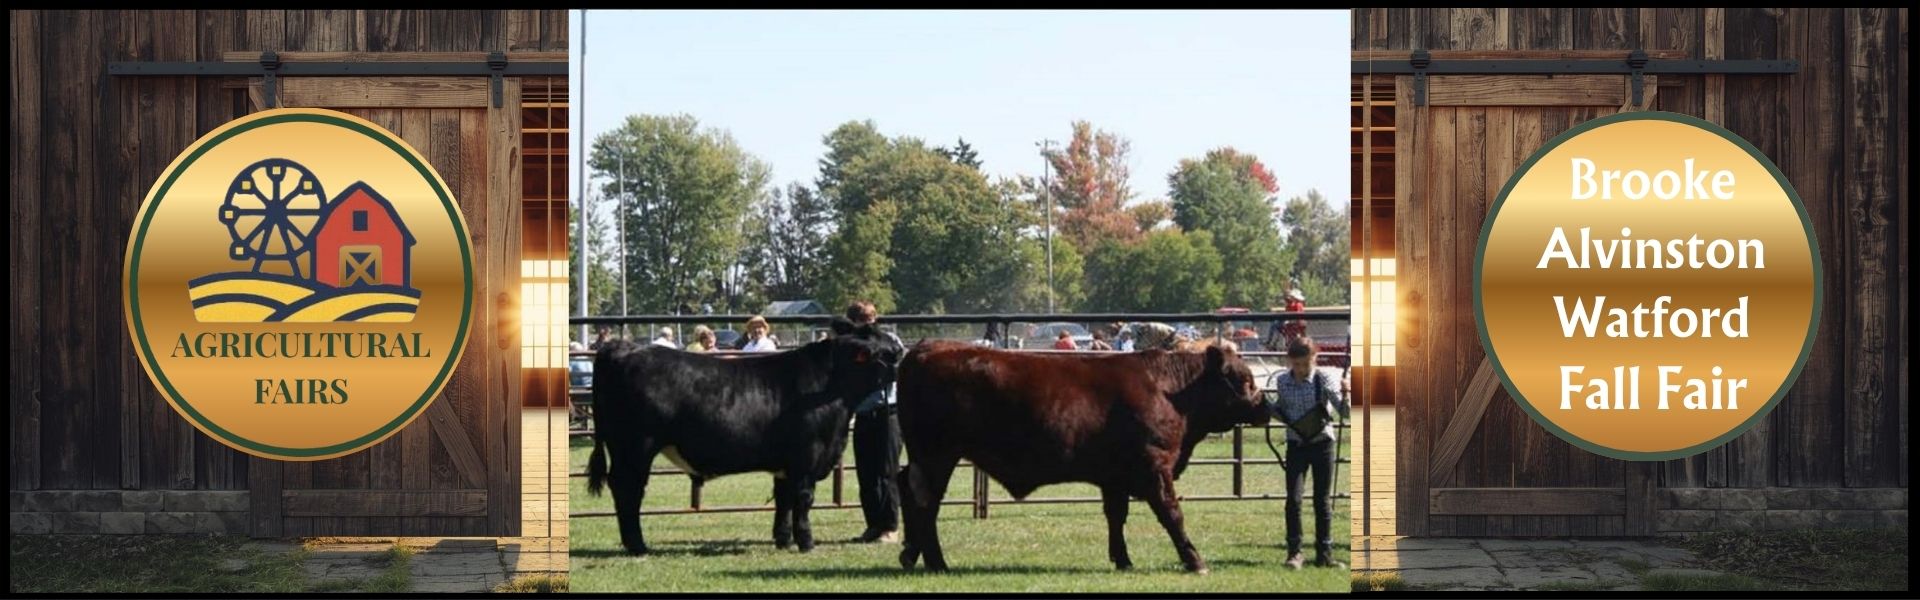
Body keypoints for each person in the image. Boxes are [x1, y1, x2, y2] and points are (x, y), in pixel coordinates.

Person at [1270, 337, 1348, 570]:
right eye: (1296, 365)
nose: (1301, 370)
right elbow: (1281, 411)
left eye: (1305, 364)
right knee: (1293, 500)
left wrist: (1347, 393)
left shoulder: (1323, 379)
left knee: (1321, 501)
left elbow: (1345, 412)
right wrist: (1262, 406)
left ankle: (1324, 553)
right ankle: (1294, 553)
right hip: (1296, 445)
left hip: (1322, 444)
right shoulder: (1282, 381)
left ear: (1314, 358)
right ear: (1289, 362)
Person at [844, 301, 903, 544]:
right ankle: (873, 525)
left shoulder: (889, 340)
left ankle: (890, 527)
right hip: (864, 414)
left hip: (887, 412)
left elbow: (899, 364)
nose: (866, 324)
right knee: (866, 473)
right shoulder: (848, 345)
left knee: (887, 471)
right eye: (860, 320)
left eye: (868, 319)